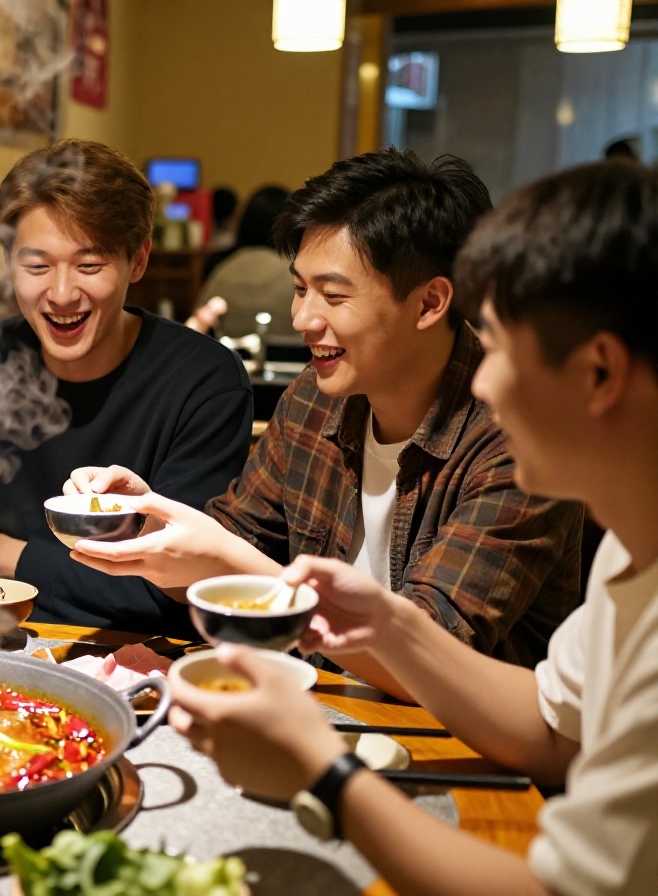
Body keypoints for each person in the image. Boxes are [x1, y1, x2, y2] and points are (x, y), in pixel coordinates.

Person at [170, 159, 658, 896]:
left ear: (598, 372)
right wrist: (380, 624)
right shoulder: (632, 547)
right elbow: (557, 730)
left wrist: (325, 774)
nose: (486, 381)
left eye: (498, 347)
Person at [68, 149, 582, 692]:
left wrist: (230, 559)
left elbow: (436, 662)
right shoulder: (316, 400)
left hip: (464, 754)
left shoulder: (519, 436)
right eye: (299, 288)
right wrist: (150, 524)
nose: (303, 319)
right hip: (315, 710)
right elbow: (229, 549)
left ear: (430, 302)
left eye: (333, 296)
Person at [0, 139, 253, 635]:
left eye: (89, 265)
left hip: (145, 661)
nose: (62, 293)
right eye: (37, 266)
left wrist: (9, 555)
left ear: (137, 261)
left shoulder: (204, 382)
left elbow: (177, 591)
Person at [195, 185, 294, 338]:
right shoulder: (298, 271)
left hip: (225, 354)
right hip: (292, 357)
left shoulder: (219, 264)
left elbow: (200, 321)